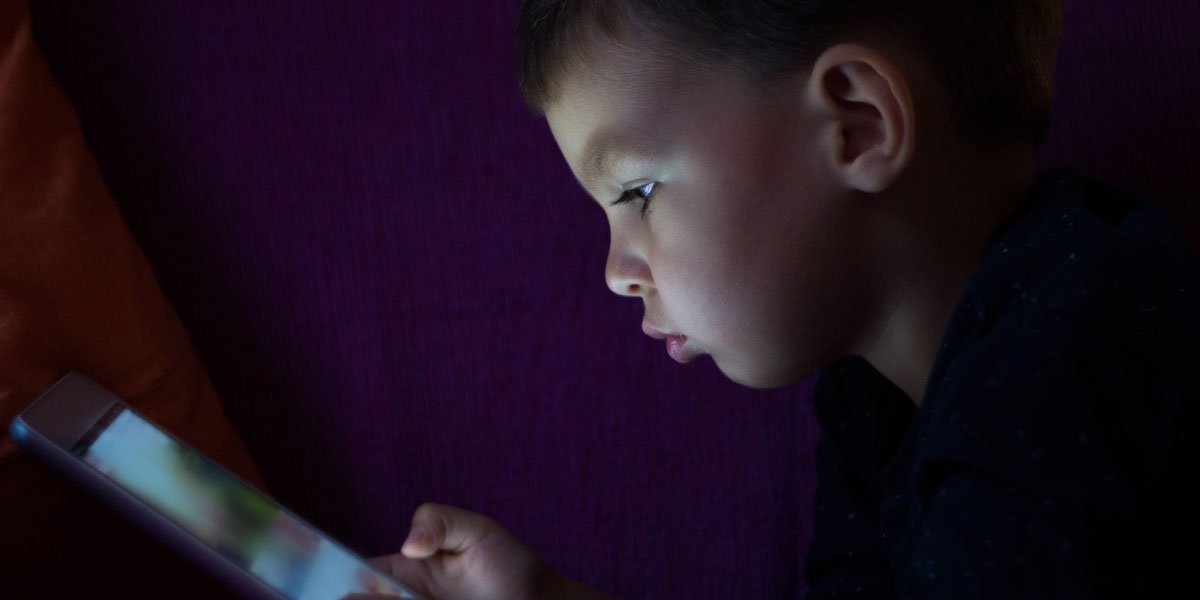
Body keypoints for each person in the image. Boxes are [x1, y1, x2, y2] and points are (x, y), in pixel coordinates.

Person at [362, 1, 1199, 598]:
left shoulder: (1081, 335)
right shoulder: (873, 398)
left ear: (858, 123)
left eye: (639, 191)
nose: (615, 272)